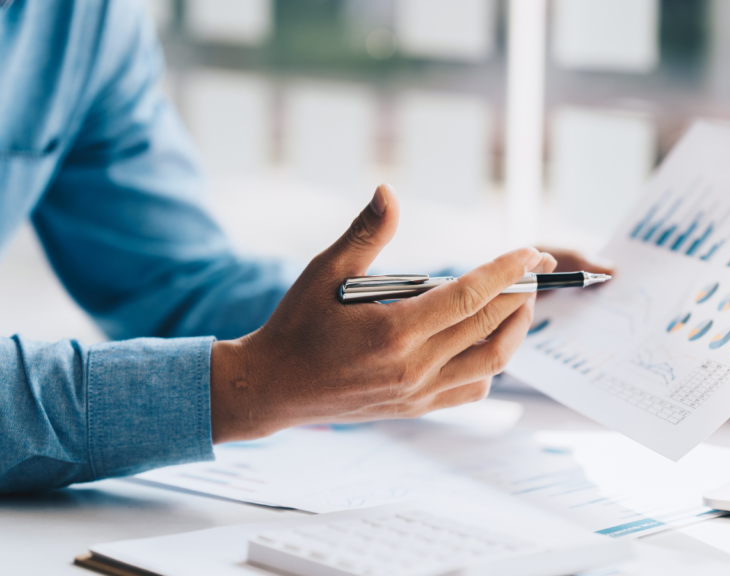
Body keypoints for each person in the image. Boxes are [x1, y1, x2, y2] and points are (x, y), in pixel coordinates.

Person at [0, 0, 611, 493]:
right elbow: (240, 358)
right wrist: (240, 389)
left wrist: (457, 300)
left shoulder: (82, 19)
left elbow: (175, 282)